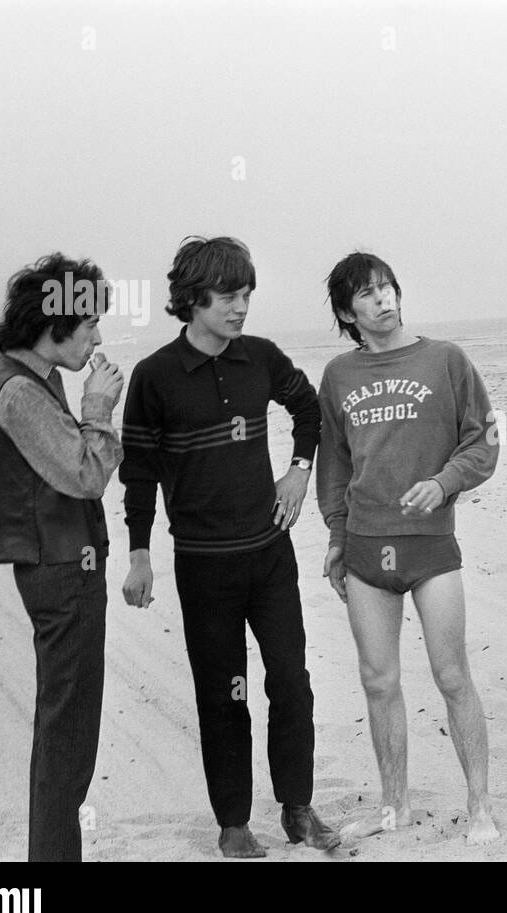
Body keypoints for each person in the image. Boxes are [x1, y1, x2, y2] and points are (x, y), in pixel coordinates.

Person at [119, 236, 337, 858]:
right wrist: (139, 554)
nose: (240, 307)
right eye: (228, 296)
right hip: (203, 565)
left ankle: (298, 810)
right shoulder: (154, 377)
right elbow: (139, 470)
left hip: (269, 556)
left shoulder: (260, 358)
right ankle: (234, 824)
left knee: (291, 681)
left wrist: (298, 468)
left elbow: (308, 407)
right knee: (225, 694)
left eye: (247, 294)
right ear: (192, 299)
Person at [317, 251, 500, 845]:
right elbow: (335, 463)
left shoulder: (445, 360)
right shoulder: (339, 376)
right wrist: (337, 539)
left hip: (431, 547)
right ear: (348, 312)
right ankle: (392, 806)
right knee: (378, 680)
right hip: (368, 547)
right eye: (367, 294)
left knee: (452, 675)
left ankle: (480, 807)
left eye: (388, 287)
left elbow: (483, 441)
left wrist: (445, 482)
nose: (383, 299)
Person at [0, 252, 124, 861]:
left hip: (64, 567)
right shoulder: (18, 389)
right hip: (61, 573)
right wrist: (99, 407)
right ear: (53, 320)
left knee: (67, 729)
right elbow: (86, 474)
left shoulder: (32, 376)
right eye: (88, 322)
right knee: (67, 733)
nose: (96, 335)